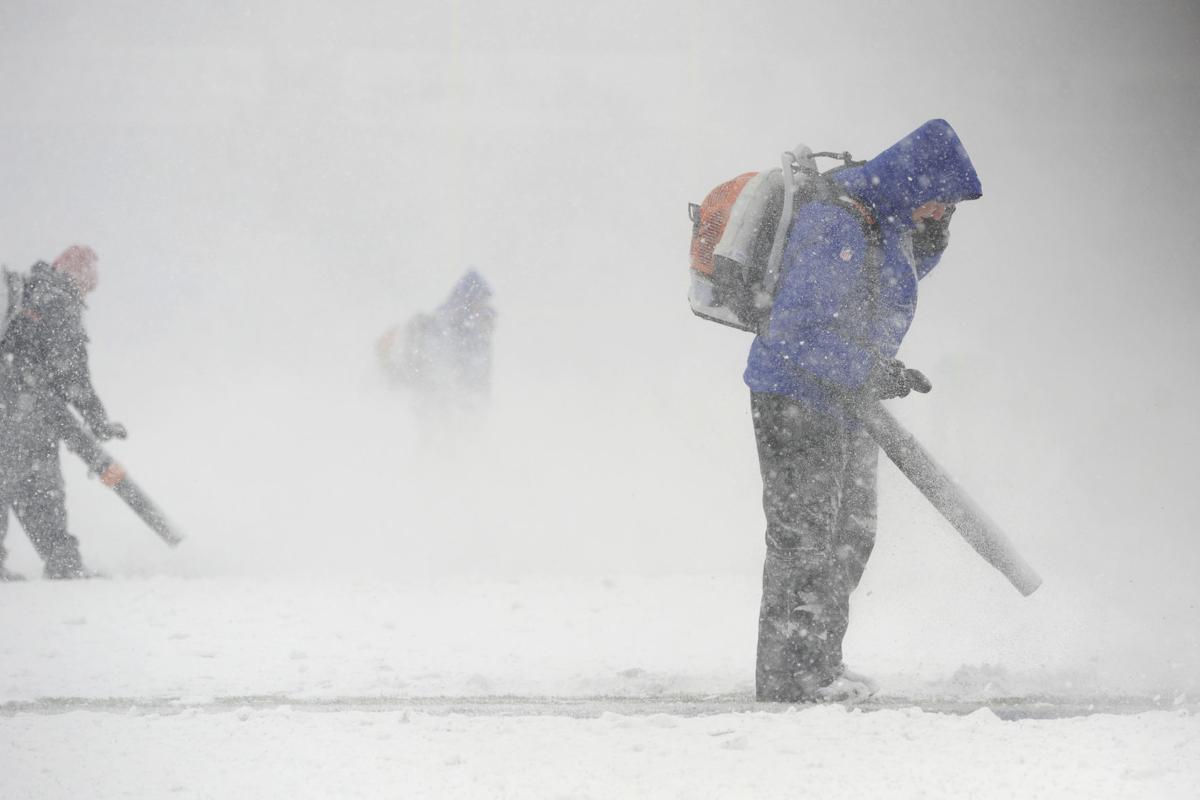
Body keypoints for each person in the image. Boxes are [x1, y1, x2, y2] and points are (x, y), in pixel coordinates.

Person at [743, 120, 983, 702]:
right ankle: (791, 678)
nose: (942, 211)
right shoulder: (837, 224)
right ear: (910, 181)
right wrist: (871, 371)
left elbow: (879, 293)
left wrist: (930, 239)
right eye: (940, 200)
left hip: (846, 402)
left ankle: (822, 663)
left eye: (950, 208)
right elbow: (796, 332)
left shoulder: (885, 224)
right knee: (806, 539)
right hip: (795, 400)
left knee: (852, 534)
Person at [0, 245, 126, 580]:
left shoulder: (29, 293)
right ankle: (63, 562)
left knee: (18, 483)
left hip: (13, 403)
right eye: (88, 284)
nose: (88, 292)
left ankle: (62, 560)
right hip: (29, 410)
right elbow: (71, 373)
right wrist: (97, 419)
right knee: (41, 487)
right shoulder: (58, 302)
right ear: (78, 277)